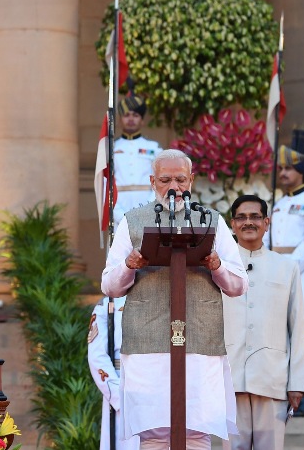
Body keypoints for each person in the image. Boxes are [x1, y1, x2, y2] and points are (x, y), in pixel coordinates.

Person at [101, 148, 248, 449]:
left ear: (191, 180)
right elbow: (108, 285)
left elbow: (239, 284)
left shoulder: (212, 221)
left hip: (199, 339)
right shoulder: (131, 221)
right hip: (147, 340)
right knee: (153, 432)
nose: (174, 187)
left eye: (180, 179)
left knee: (197, 429)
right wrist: (129, 265)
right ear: (153, 181)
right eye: (166, 180)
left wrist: (217, 266)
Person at [223, 194, 304, 449]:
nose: (248, 222)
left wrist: (298, 383)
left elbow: (298, 326)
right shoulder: (218, 268)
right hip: (230, 378)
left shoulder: (286, 267)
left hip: (272, 377)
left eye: (255, 217)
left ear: (267, 222)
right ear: (232, 224)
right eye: (241, 217)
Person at [268, 127, 304, 417]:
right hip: (276, 278)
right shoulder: (278, 205)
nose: (283, 173)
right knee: (281, 341)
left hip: (301, 277)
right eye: (280, 168)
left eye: (288, 168)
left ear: (302, 171)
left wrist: (287, 267)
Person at [87, 296, 140, 450]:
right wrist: (119, 396)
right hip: (121, 384)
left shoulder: (161, 297)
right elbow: (97, 356)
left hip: (157, 388)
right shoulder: (108, 303)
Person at [112, 95, 162, 224]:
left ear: (142, 120)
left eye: (135, 115)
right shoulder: (111, 148)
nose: (131, 119)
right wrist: (117, 214)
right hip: (119, 205)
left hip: (148, 205)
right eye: (127, 115)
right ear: (120, 120)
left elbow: (161, 180)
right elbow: (105, 183)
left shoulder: (154, 148)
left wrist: (150, 208)